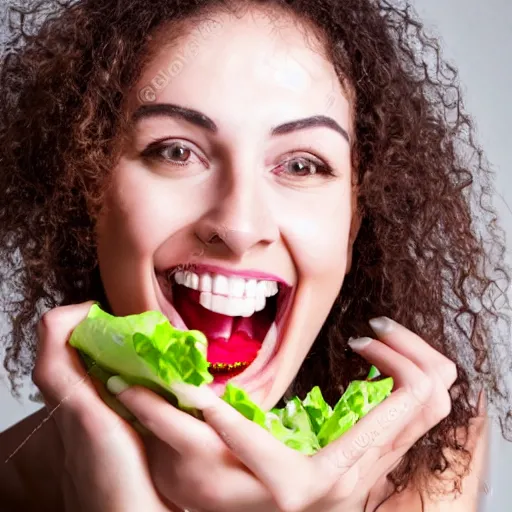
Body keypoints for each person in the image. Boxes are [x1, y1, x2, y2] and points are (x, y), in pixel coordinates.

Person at [0, 0, 509, 510]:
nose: (239, 227)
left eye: (302, 165)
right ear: (87, 191)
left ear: (353, 224)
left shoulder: (432, 458)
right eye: (176, 151)